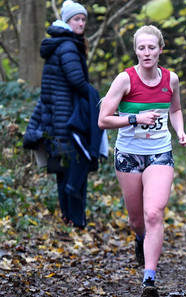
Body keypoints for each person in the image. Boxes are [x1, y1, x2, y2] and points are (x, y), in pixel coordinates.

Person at [98, 25, 186, 296]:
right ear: (135, 50)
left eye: (151, 48)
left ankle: (149, 280)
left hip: (160, 153)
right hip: (128, 155)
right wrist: (135, 118)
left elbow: (176, 109)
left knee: (153, 214)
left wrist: (180, 130)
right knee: (137, 220)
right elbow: (103, 120)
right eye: (141, 48)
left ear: (161, 49)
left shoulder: (171, 79)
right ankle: (140, 239)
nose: (146, 53)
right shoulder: (124, 80)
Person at [23, 0, 107, 230]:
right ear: (67, 21)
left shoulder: (59, 44)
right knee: (77, 164)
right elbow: (77, 82)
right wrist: (95, 95)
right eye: (76, 19)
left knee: (64, 169)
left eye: (83, 19)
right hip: (69, 120)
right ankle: (76, 221)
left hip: (57, 118)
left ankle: (68, 219)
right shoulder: (69, 46)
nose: (81, 23)